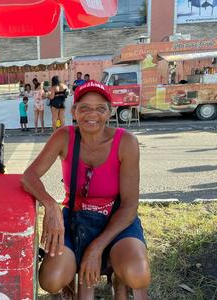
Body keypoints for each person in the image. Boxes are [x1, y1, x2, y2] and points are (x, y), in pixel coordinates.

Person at [21, 80, 150, 300]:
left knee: (137, 274)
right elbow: (28, 176)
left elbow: (129, 207)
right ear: (73, 111)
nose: (92, 114)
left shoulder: (126, 142)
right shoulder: (64, 137)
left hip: (115, 220)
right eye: (85, 108)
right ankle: (73, 275)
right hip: (75, 218)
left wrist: (95, 248)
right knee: (50, 280)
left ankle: (118, 278)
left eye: (100, 108)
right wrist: (51, 205)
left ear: (110, 112)